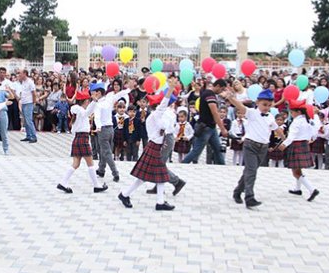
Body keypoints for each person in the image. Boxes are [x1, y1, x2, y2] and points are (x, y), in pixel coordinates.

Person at [117, 78, 179, 211]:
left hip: (156, 147)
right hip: (153, 147)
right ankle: (125, 194)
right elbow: (164, 103)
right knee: (146, 177)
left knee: (159, 176)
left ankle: (159, 202)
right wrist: (171, 89)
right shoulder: (156, 115)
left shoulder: (157, 116)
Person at [224, 89, 281, 208]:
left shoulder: (270, 116)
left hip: (263, 148)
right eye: (264, 105)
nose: (266, 107)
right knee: (252, 171)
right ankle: (249, 197)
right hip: (250, 145)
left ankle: (237, 191)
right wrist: (230, 98)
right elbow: (239, 105)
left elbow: (277, 129)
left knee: (249, 171)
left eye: (269, 105)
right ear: (257, 102)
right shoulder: (251, 113)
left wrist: (284, 137)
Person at [57, 90, 108, 194]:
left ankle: (63, 182)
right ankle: (96, 186)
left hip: (77, 138)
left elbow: (87, 112)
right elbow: (87, 112)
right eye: (88, 100)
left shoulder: (76, 110)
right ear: (84, 101)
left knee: (76, 164)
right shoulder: (79, 110)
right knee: (90, 164)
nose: (88, 102)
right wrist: (94, 102)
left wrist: (94, 101)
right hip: (83, 138)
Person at [278, 99, 320, 202]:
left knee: (295, 171)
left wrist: (284, 144)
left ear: (298, 112)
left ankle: (312, 189)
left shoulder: (296, 122)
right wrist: (311, 139)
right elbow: (314, 131)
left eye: (292, 112)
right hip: (304, 144)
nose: (291, 114)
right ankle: (297, 189)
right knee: (298, 169)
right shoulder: (308, 120)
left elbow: (292, 136)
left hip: (296, 145)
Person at [92, 81, 133, 182]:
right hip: (111, 129)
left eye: (94, 93)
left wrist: (98, 127)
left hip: (103, 130)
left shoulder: (98, 104)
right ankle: (101, 170)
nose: (93, 95)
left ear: (99, 93)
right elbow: (120, 94)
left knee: (106, 152)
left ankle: (115, 173)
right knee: (104, 150)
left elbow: (97, 118)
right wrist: (128, 89)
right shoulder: (109, 99)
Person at [181, 79, 229, 165]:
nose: (221, 91)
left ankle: (223, 166)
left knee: (218, 149)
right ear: (217, 86)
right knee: (196, 151)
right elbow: (215, 112)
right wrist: (223, 129)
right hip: (206, 127)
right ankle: (183, 164)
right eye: (221, 89)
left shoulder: (207, 93)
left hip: (210, 127)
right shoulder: (209, 95)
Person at [17, 69, 38, 143]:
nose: (19, 75)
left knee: (29, 120)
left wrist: (34, 102)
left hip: (29, 103)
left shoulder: (30, 82)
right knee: (25, 120)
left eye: (20, 73)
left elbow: (34, 93)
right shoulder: (23, 82)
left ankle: (34, 136)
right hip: (24, 102)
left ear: (25, 74)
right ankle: (28, 136)